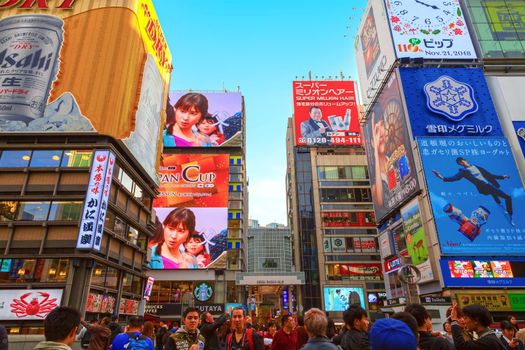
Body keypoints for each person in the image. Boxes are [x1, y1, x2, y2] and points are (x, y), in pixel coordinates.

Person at [433, 157, 514, 224]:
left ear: (465, 160)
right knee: (490, 188)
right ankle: (498, 202)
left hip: (490, 186)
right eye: (460, 163)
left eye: (462, 161)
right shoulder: (463, 172)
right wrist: (442, 177)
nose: (462, 163)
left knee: (508, 197)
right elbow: (454, 178)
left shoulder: (476, 167)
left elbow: (490, 175)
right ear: (460, 164)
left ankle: (509, 214)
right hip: (483, 188)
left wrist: (503, 177)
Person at [370, 108, 390, 209]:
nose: (381, 134)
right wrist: (375, 155)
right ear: (372, 143)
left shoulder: (396, 159)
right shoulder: (374, 181)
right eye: (376, 131)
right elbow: (380, 201)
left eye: (382, 125)